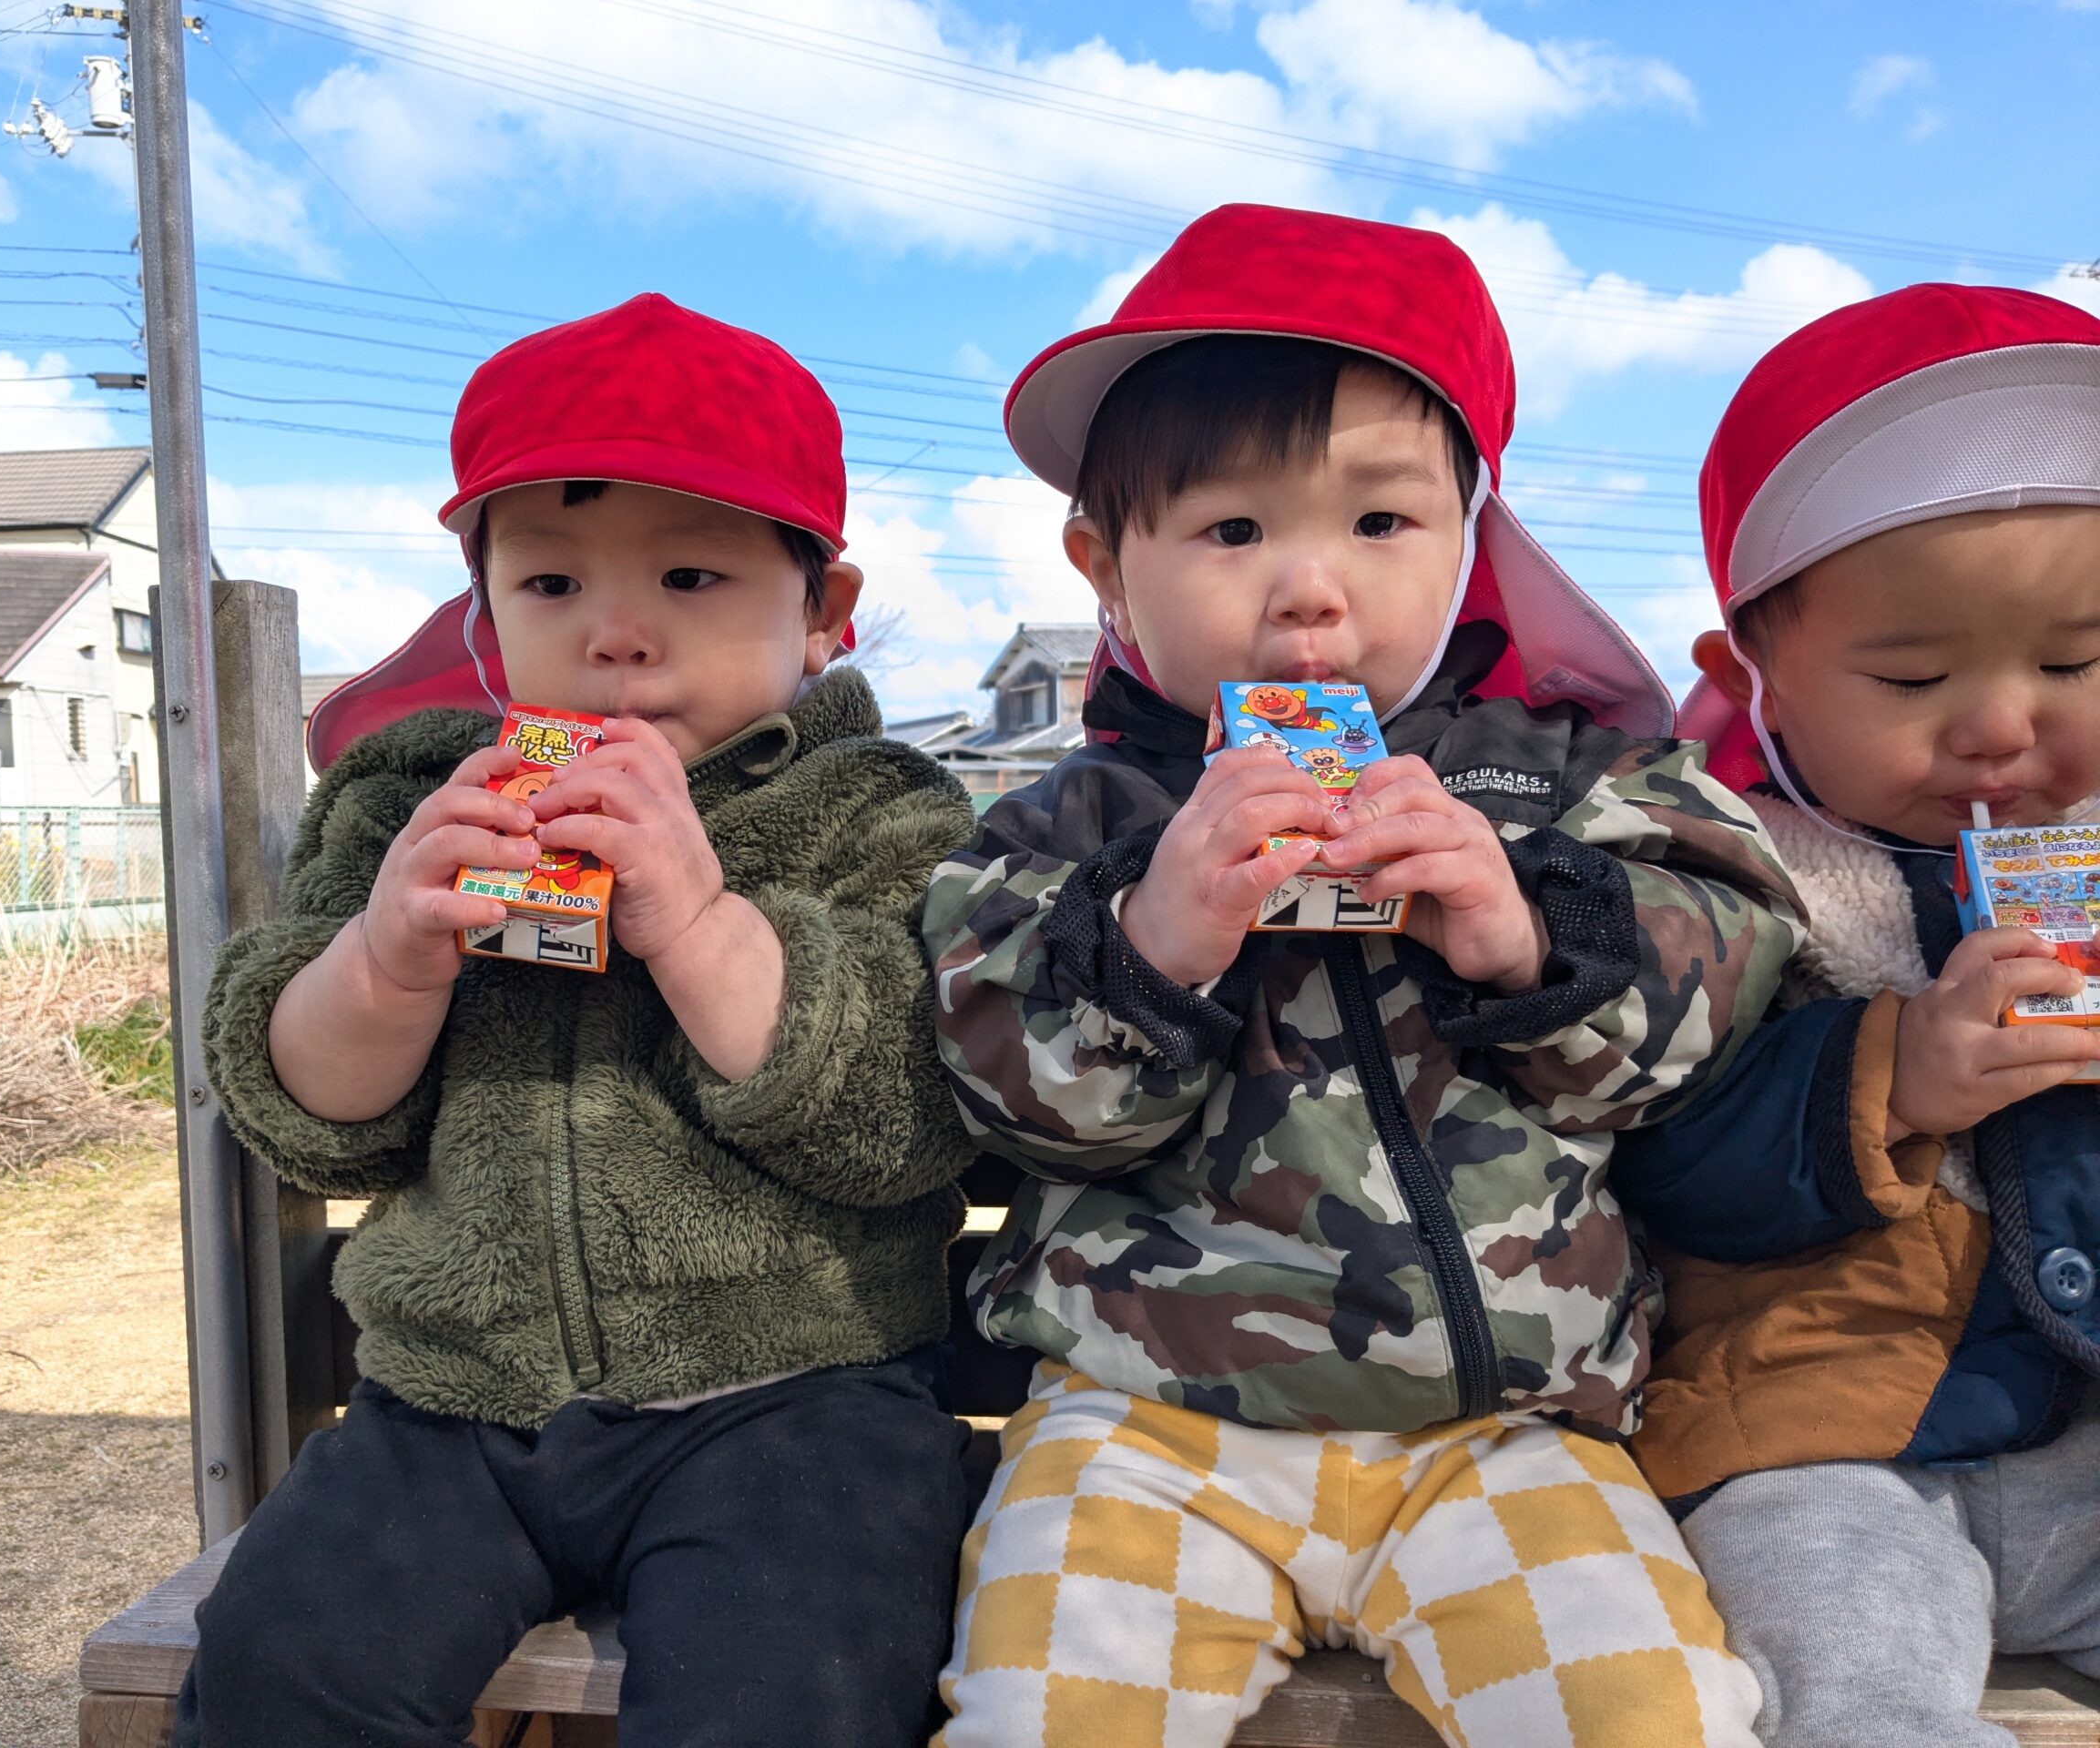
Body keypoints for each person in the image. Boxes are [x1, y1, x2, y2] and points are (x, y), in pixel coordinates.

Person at [923, 204, 1799, 1748]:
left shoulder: (1567, 781)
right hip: (1141, 1425)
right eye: (1232, 531)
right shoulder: (1065, 824)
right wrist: (1152, 942)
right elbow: (1003, 1100)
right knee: (1048, 1717)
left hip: (1508, 1430)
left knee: (1650, 1716)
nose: (1310, 589)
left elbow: (1727, 985)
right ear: (1106, 570)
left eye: (1382, 522)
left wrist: (1526, 933)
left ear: (1473, 539)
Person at [174, 292, 979, 1748]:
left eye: (690, 575)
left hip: (798, 1400)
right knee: (278, 1670)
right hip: (450, 1406)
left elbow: (905, 1116)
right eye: (551, 584)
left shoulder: (872, 812)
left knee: (793, 1692)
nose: (618, 635)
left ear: (823, 614)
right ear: (486, 624)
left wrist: (702, 923)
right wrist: (387, 960)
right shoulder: (410, 804)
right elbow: (312, 1116)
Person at [1612, 283, 2100, 1748]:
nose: (1999, 722)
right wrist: (1894, 1077)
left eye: (2074, 661)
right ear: (1747, 678)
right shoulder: (1714, 875)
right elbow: (1657, 1155)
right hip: (1816, 1447)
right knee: (1852, 1693)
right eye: (1913, 675)